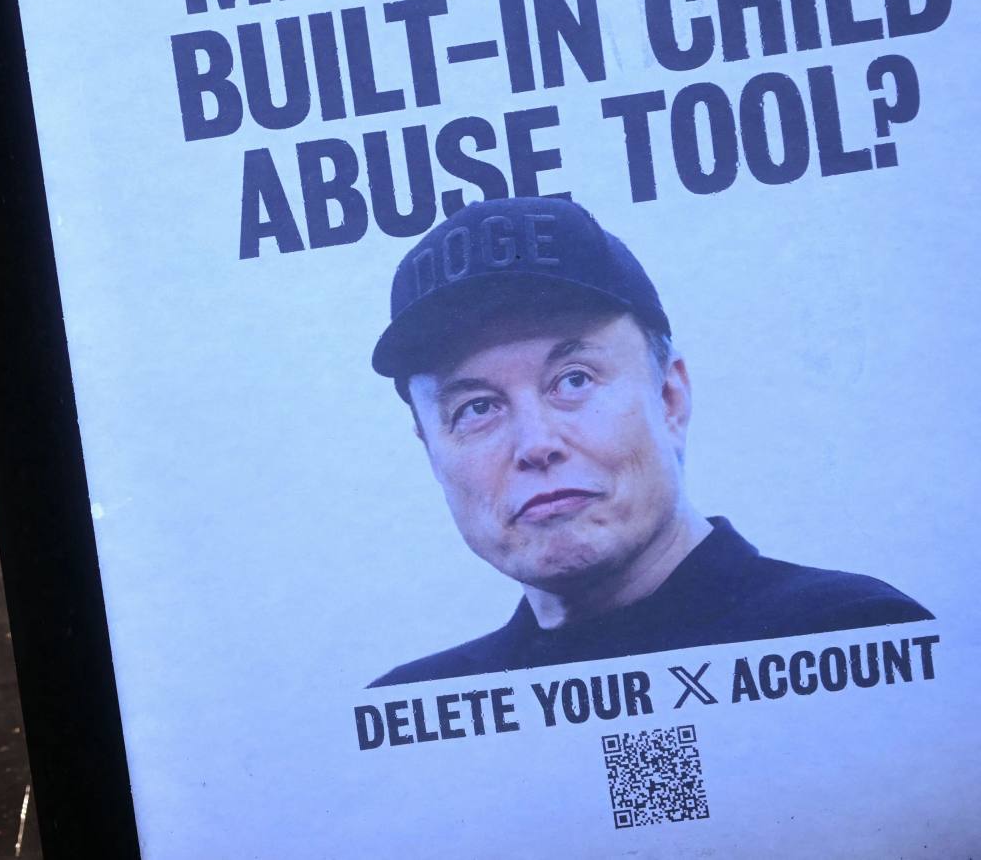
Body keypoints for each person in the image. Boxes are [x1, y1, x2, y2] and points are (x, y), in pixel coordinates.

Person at [367, 196, 929, 688]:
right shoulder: (422, 712)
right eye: (477, 408)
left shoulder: (853, 639)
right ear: (431, 452)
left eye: (574, 380)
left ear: (670, 397)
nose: (536, 444)